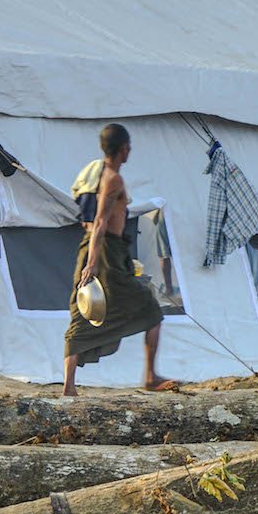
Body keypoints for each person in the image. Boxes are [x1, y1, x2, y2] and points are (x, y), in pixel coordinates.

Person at [63, 123, 175, 395]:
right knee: (151, 310)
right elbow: (101, 220)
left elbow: (87, 216)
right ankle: (149, 376)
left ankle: (69, 386)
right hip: (105, 254)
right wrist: (93, 263)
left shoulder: (93, 172)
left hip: (93, 248)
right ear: (123, 149)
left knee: (83, 311)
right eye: (128, 147)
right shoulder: (113, 178)